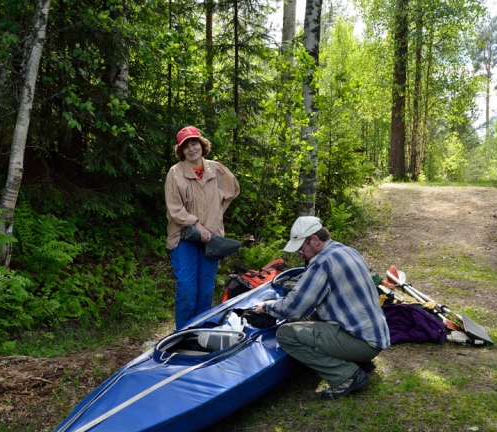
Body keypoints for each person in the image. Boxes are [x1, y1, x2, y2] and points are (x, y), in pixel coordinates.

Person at [253, 216, 390, 399]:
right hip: (374, 335)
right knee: (304, 320)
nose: (300, 254)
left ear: (315, 241)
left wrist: (266, 307)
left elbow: (293, 308)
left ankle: (347, 376)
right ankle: (360, 362)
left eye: (301, 249)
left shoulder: (322, 262)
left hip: (363, 342)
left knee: (286, 334)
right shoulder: (347, 250)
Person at [165, 126, 240, 329]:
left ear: (201, 144)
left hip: (211, 239)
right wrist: (197, 224)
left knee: (206, 289)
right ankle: (181, 334)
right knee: (188, 289)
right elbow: (174, 209)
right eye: (186, 146)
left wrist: (216, 213)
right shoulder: (175, 173)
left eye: (194, 143)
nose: (191, 149)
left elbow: (232, 190)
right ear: (181, 151)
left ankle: (200, 335)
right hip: (184, 237)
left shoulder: (216, 168)